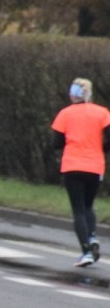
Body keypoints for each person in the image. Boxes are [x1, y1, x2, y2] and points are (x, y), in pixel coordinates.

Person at [51, 77, 110, 267]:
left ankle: (86, 250)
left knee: (78, 209)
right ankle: (92, 237)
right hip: (95, 166)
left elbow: (56, 143)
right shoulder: (102, 113)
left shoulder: (65, 114)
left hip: (72, 165)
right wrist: (101, 147)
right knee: (88, 205)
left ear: (72, 94)